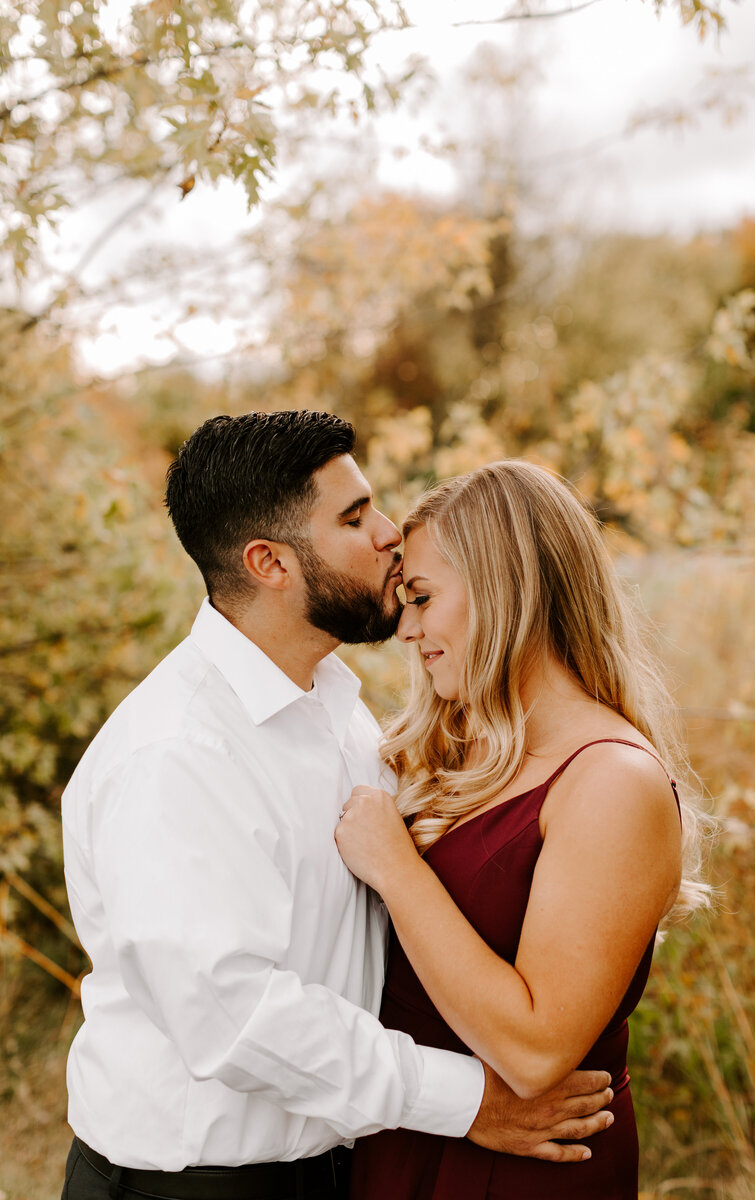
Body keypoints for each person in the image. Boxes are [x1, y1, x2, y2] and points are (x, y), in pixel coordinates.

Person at [60, 413, 615, 1200]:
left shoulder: (337, 710)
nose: (391, 533)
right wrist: (468, 1103)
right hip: (194, 1186)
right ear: (270, 563)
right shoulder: (176, 755)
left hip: (336, 1171)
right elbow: (237, 1017)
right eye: (354, 518)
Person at [335, 460, 710, 1200]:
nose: (406, 629)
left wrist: (397, 868)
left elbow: (537, 1052)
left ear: (508, 589)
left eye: (422, 597)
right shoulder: (455, 746)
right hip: (411, 1137)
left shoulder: (611, 782)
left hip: (524, 1166)